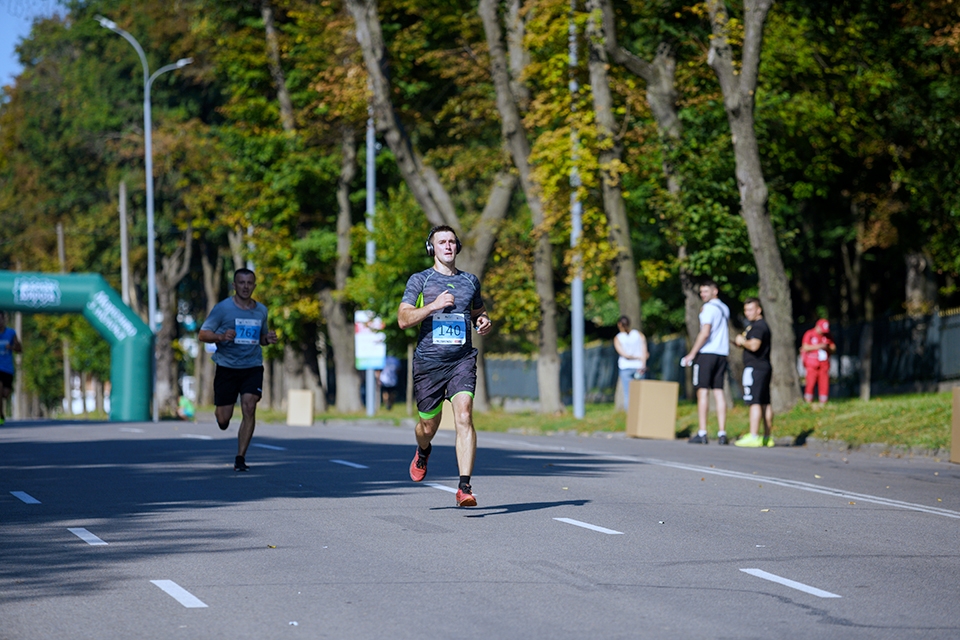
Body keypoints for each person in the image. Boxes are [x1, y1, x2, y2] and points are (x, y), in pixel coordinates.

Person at [398, 225, 492, 507]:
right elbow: (403, 319)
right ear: (432, 249)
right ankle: (423, 450)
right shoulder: (420, 281)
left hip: (461, 360)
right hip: (429, 363)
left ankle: (464, 487)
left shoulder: (470, 281)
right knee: (428, 426)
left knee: (464, 416)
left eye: (452, 241)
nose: (448, 246)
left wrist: (482, 320)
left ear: (458, 247)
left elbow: (478, 310)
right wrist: (432, 306)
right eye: (442, 242)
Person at [198, 268, 278, 471]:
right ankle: (223, 417)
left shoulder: (261, 310)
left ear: (254, 286)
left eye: (249, 283)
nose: (245, 286)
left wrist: (267, 339)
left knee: (249, 407)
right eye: (241, 282)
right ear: (234, 285)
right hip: (227, 368)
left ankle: (240, 457)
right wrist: (220, 337)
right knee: (223, 419)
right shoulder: (223, 309)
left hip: (252, 366)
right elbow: (203, 334)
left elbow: (260, 338)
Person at [681, 279, 731, 444]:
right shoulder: (724, 308)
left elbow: (705, 332)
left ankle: (702, 432)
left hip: (707, 354)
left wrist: (692, 354)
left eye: (706, 291)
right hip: (722, 353)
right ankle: (722, 432)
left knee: (702, 391)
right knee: (718, 391)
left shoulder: (708, 309)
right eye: (701, 292)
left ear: (714, 291)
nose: (703, 295)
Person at [734, 297, 774, 447]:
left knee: (754, 401)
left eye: (750, 309)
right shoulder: (759, 326)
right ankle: (767, 437)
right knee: (765, 402)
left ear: (759, 309)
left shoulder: (758, 326)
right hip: (764, 367)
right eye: (745, 310)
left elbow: (755, 345)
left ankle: (754, 435)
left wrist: (742, 341)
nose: (747, 313)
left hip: (755, 368)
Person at [613, 315, 648, 410]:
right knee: (640, 392)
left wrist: (634, 357)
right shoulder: (639, 334)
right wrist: (642, 364)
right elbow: (644, 352)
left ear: (619, 324)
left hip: (626, 368)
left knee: (628, 393)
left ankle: (630, 415)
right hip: (639, 367)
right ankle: (641, 411)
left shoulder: (618, 338)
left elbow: (625, 355)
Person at [800, 319, 835, 406]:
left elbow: (833, 348)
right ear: (817, 326)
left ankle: (823, 403)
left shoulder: (827, 336)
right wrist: (819, 346)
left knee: (824, 384)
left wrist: (828, 347)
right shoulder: (809, 334)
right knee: (810, 384)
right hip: (812, 364)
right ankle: (808, 402)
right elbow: (805, 347)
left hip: (824, 364)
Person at [0, 311, 22, 425]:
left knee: (5, 394)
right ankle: (1, 414)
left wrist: (12, 347)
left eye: (1, 319)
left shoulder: (11, 333)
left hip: (7, 368)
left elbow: (19, 350)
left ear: (4, 320)